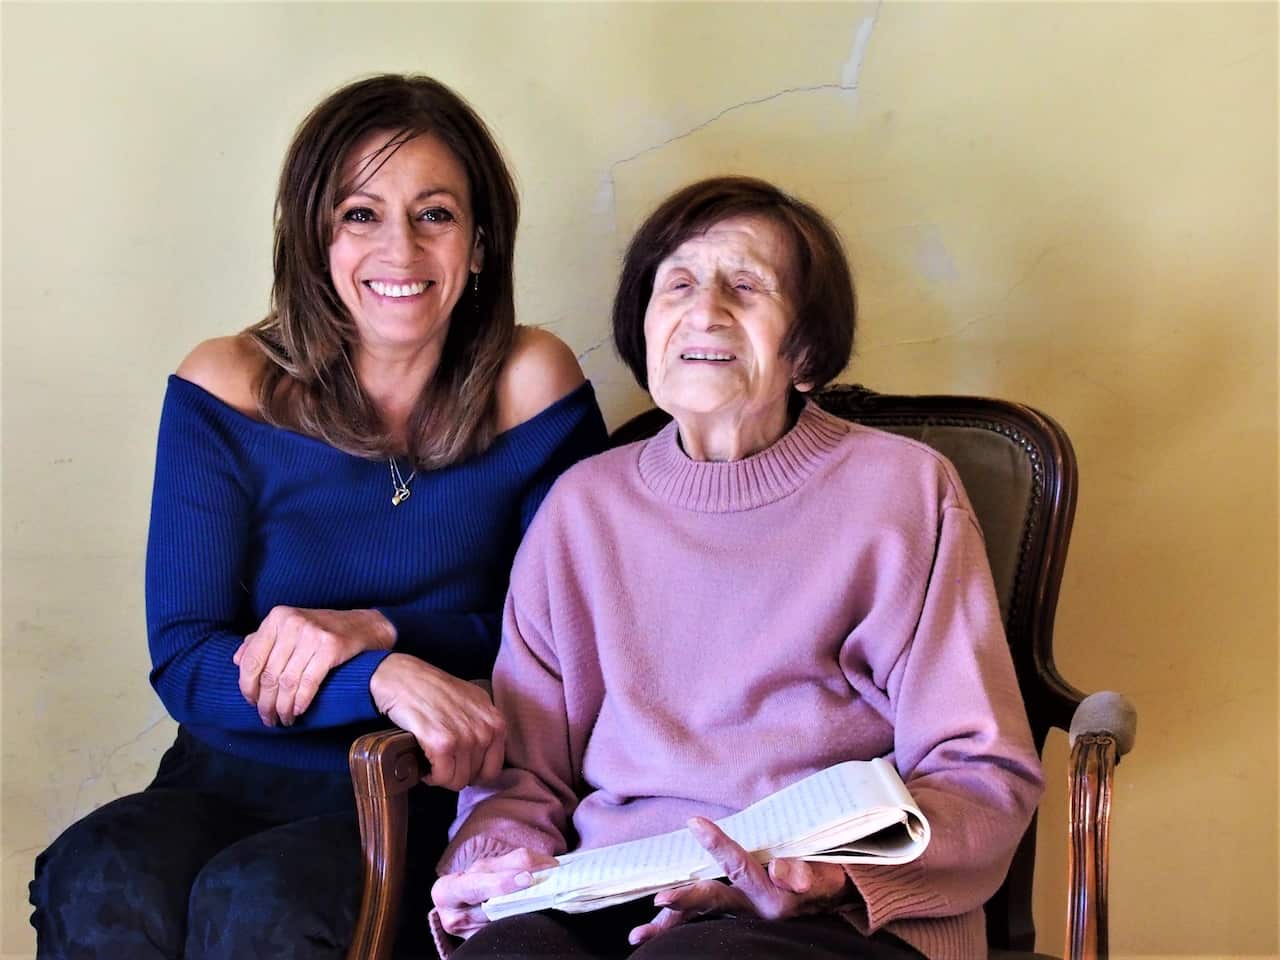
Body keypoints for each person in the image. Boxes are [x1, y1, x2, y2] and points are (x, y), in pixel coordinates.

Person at [29, 73, 607, 959]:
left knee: (262, 902)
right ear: (313, 236)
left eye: (436, 214)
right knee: (98, 873)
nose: (400, 249)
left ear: (481, 243)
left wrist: (381, 628)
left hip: (422, 786)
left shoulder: (532, 383)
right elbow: (185, 653)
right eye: (359, 214)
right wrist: (375, 676)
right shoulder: (227, 384)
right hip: (227, 766)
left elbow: (572, 641)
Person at [430, 176, 1044, 960]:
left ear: (807, 352)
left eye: (746, 287)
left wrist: (831, 877)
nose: (705, 311)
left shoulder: (904, 492)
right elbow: (523, 774)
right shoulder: (582, 508)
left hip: (833, 908)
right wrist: (490, 869)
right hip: (611, 892)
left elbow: (979, 769)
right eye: (678, 284)